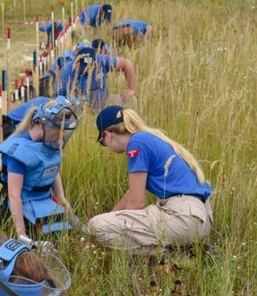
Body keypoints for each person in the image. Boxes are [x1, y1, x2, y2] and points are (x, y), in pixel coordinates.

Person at [88, 105, 212, 253]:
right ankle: (185, 250)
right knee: (110, 222)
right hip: (201, 218)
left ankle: (168, 254)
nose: (106, 146)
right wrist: (110, 216)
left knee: (96, 226)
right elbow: (130, 195)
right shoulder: (148, 138)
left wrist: (111, 225)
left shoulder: (136, 143)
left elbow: (136, 203)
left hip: (183, 218)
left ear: (108, 135)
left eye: (102, 142)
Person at [0, 96, 79, 241]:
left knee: (68, 234)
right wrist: (21, 234)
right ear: (42, 124)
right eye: (58, 131)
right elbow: (14, 196)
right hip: (20, 206)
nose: (61, 136)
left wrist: (61, 197)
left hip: (45, 202)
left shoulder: (49, 141)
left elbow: (52, 168)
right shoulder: (19, 150)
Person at [56, 47, 137, 111]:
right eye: (84, 67)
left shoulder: (102, 61)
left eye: (90, 67)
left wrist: (131, 89)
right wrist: (73, 103)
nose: (87, 70)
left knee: (131, 100)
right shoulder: (66, 70)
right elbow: (60, 97)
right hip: (79, 108)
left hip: (104, 103)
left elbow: (127, 64)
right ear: (77, 62)